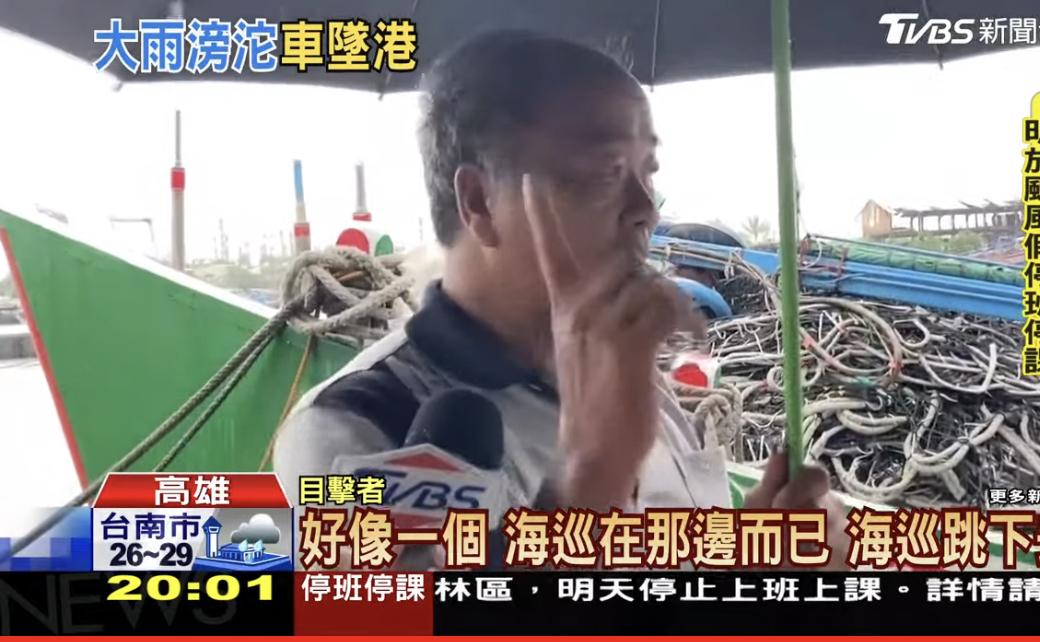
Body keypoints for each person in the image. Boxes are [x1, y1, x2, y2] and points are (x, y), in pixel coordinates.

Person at [275, 31, 849, 567]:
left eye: (646, 174)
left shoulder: (639, 388)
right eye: (604, 173)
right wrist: (589, 478)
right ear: (479, 202)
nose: (645, 209)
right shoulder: (353, 425)